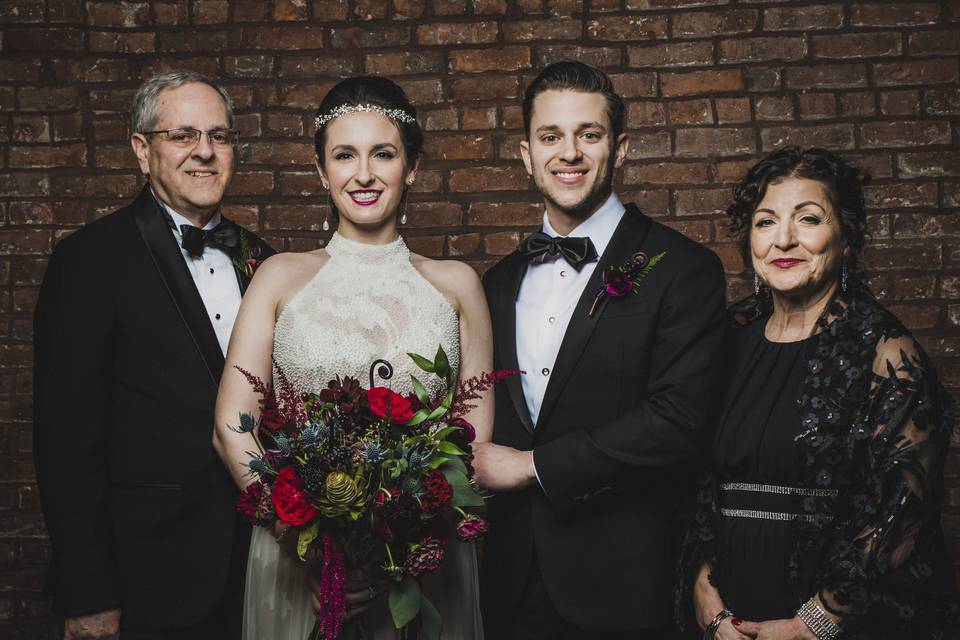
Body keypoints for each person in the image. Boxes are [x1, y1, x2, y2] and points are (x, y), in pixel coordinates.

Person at [212, 75, 493, 639]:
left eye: (382, 154)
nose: (363, 174)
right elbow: (229, 427)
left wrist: (398, 538)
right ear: (322, 171)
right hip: (299, 564)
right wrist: (310, 545)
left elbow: (473, 444)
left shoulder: (457, 285)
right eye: (345, 155)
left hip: (419, 565)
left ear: (411, 167)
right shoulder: (278, 277)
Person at [472, 60, 727, 639]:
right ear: (525, 154)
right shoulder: (495, 282)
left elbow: (678, 421)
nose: (570, 153)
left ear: (622, 147)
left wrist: (530, 466)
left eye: (589, 134)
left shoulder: (682, 269)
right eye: (551, 137)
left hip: (625, 584)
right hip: (510, 583)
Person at [675, 146, 960, 640]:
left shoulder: (887, 352)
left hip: (833, 617)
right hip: (729, 610)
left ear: (847, 238)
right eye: (765, 222)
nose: (783, 239)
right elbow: (694, 477)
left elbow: (902, 509)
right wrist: (703, 589)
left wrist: (817, 623)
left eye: (808, 219)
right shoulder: (727, 336)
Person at [33, 70, 274, 640]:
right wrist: (87, 592)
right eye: (183, 135)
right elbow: (66, 442)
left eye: (220, 136)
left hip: (258, 569)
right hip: (144, 578)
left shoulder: (265, 260)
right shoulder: (88, 261)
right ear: (142, 150)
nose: (205, 153)